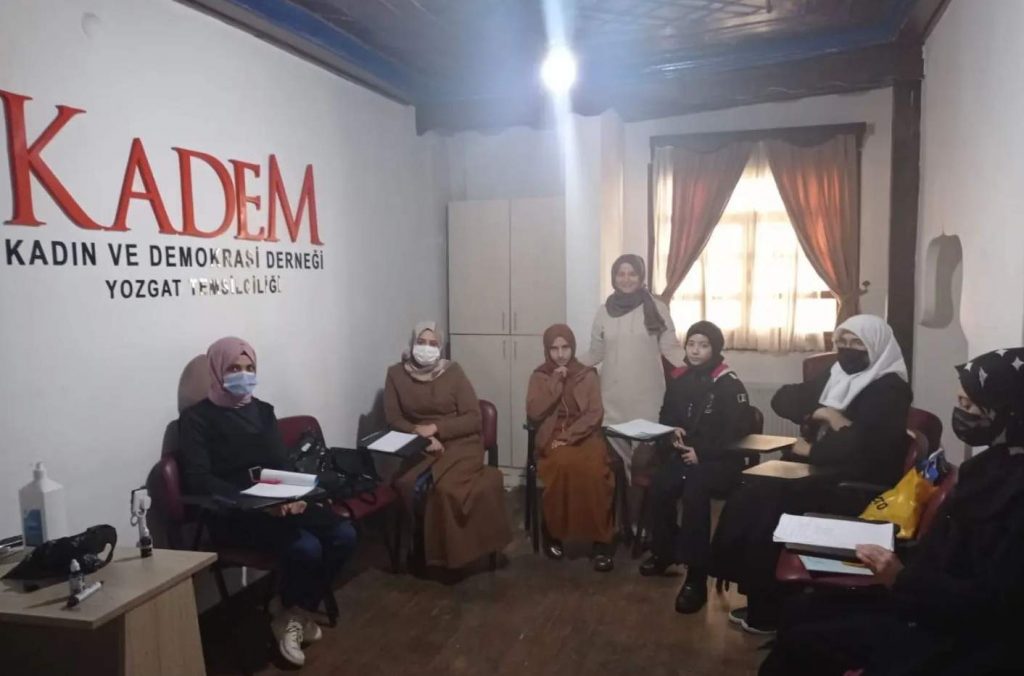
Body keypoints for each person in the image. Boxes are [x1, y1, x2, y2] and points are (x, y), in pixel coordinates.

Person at [759, 348, 1024, 676]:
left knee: (801, 640)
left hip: (955, 632)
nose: (959, 412)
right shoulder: (988, 465)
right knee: (800, 610)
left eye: (968, 405)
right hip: (922, 595)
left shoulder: (1013, 494)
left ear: (1008, 413)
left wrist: (900, 577)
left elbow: (991, 603)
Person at [711, 314, 912, 634]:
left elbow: (864, 447)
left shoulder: (890, 389)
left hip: (856, 483)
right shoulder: (837, 373)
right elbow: (783, 398)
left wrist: (815, 445)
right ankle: (759, 595)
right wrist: (825, 414)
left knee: (767, 505)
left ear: (876, 346)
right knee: (749, 492)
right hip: (824, 469)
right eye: (842, 342)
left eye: (857, 343)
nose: (847, 350)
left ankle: (770, 609)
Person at [179, 337, 357, 668]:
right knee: (306, 548)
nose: (243, 375)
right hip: (235, 513)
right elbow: (200, 480)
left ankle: (292, 611)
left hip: (278, 502)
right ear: (216, 371)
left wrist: (295, 496)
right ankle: (293, 614)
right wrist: (259, 502)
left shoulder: (263, 411)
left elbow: (281, 464)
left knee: (344, 534)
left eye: (250, 368)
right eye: (234, 368)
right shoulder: (197, 419)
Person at [639, 321, 755, 614]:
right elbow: (666, 415)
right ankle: (664, 552)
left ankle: (696, 577)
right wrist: (672, 432)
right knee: (660, 485)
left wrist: (701, 453)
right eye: (691, 344)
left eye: (703, 345)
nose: (695, 350)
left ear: (715, 349)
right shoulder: (680, 379)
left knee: (695, 491)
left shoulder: (729, 384)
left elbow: (738, 431)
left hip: (719, 462)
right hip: (683, 456)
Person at [386, 321, 512, 571]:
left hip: (461, 442)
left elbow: (473, 418)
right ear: (411, 343)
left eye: (433, 344)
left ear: (441, 347)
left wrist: (437, 429)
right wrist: (419, 434)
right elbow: (393, 418)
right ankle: (422, 545)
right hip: (420, 444)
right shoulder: (396, 374)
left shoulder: (453, 372)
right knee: (409, 485)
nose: (426, 348)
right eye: (421, 342)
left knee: (446, 489)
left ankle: (451, 554)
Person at [577, 254, 685, 480]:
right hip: (613, 399)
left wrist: (700, 367)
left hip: (647, 399)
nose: (626, 279)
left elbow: (670, 348)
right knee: (619, 461)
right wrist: (568, 365)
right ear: (614, 277)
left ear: (641, 276)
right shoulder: (603, 311)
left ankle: (642, 502)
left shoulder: (657, 308)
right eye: (621, 274)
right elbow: (596, 353)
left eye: (632, 274)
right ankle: (627, 501)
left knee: (644, 462)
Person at [527, 324, 615, 572]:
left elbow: (594, 413)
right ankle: (553, 532)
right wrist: (555, 382)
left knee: (595, 471)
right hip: (552, 438)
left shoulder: (587, 374)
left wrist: (569, 436)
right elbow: (534, 412)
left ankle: (601, 541)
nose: (560, 354)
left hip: (584, 436)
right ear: (547, 350)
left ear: (573, 347)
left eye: (565, 347)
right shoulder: (540, 376)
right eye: (554, 349)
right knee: (562, 465)